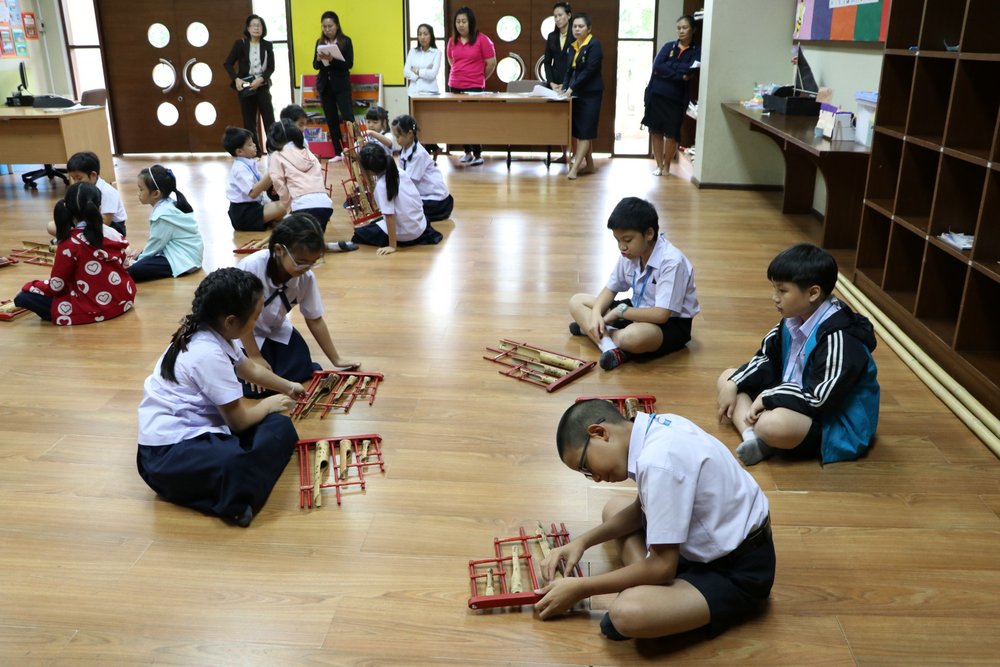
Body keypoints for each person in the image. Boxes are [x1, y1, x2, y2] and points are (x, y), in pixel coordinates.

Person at [535, 399, 774, 642]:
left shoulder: (658, 462)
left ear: (599, 433)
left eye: (586, 466)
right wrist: (582, 542)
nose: (594, 478)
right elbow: (640, 510)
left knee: (624, 614)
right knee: (614, 508)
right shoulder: (656, 427)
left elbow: (663, 567)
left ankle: (668, 596)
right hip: (708, 542)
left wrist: (582, 588)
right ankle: (654, 589)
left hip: (736, 569)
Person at [136, 268, 303, 528]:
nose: (257, 322)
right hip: (166, 454)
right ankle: (235, 501)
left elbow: (249, 369)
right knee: (237, 461)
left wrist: (288, 386)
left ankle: (232, 486)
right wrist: (267, 404)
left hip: (199, 432)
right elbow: (239, 421)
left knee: (280, 428)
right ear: (231, 321)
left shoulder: (212, 332)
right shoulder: (207, 353)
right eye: (255, 317)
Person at [717, 243, 880, 466]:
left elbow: (820, 398)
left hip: (832, 419)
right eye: (774, 289)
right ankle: (753, 439)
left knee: (771, 424)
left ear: (813, 293)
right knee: (728, 378)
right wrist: (734, 383)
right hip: (794, 395)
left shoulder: (840, 338)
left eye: (782, 291)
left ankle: (764, 435)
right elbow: (766, 358)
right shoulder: (793, 318)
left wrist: (768, 396)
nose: (774, 297)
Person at [568, 197, 699, 371]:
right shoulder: (630, 254)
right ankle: (610, 347)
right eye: (617, 240)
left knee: (632, 337)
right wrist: (597, 314)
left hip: (669, 324)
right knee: (577, 301)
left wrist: (619, 312)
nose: (621, 247)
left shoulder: (672, 262)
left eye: (627, 240)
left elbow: (661, 315)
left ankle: (595, 332)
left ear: (649, 234)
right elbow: (610, 289)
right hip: (636, 308)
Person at [237, 213, 360, 396]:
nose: (306, 268)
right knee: (253, 386)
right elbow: (240, 317)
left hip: (275, 329)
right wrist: (254, 356)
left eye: (312, 263)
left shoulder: (306, 277)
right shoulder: (251, 267)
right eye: (301, 262)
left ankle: (272, 376)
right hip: (242, 332)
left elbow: (315, 319)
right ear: (279, 250)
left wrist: (336, 359)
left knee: (302, 368)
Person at [15, 181, 135, 325]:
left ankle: (66, 312)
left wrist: (32, 285)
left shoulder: (69, 243)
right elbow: (126, 265)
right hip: (124, 299)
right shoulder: (113, 233)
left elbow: (56, 286)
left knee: (23, 297)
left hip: (93, 309)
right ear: (99, 207)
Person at [267, 118, 357, 252]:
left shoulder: (277, 155)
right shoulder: (308, 152)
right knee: (312, 238)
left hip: (301, 207)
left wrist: (288, 207)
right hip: (325, 205)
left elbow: (278, 183)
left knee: (292, 243)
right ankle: (328, 245)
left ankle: (322, 246)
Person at [351, 143, 442, 255]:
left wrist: (392, 246)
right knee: (373, 223)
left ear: (369, 171)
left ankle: (396, 241)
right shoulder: (398, 171)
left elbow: (389, 217)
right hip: (420, 224)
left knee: (358, 234)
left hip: (407, 233)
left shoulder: (381, 186)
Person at [643, 15, 699, 177]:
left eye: (685, 28)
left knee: (672, 134)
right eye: (679, 28)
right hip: (657, 95)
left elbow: (690, 69)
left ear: (693, 30)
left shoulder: (696, 51)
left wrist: (670, 66)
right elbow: (657, 66)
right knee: (656, 131)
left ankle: (667, 165)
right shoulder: (669, 46)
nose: (681, 31)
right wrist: (679, 74)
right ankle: (659, 165)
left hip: (677, 98)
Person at [128, 165, 203, 283]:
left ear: (156, 194)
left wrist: (136, 262)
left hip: (184, 259)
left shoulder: (163, 215)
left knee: (134, 270)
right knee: (138, 259)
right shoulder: (166, 205)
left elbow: (155, 244)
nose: (138, 193)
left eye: (141, 189)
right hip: (182, 252)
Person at [446, 6, 496, 166]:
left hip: (474, 86)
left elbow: (491, 63)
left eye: (464, 21)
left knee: (473, 119)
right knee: (460, 119)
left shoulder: (482, 39)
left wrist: (479, 77)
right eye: (458, 21)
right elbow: (451, 60)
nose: (460, 25)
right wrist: (459, 74)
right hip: (455, 85)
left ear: (471, 22)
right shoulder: (452, 40)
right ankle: (466, 151)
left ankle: (478, 153)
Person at [223, 14, 276, 154]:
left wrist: (261, 79)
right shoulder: (240, 44)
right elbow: (228, 63)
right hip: (246, 87)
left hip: (262, 85)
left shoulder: (267, 45)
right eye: (253, 25)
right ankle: (255, 151)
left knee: (269, 119)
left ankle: (273, 150)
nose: (256, 28)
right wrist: (236, 79)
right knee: (249, 122)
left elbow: (271, 68)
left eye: (259, 25)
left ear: (263, 28)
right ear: (248, 28)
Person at [45, 151, 127, 238]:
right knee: (51, 226)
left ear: (93, 175)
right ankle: (78, 239)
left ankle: (77, 239)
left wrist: (80, 229)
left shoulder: (107, 192)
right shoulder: (80, 189)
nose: (76, 182)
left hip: (109, 228)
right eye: (73, 178)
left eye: (79, 178)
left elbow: (106, 222)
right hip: (85, 224)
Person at [563, 12, 604, 180]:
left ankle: (575, 168)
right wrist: (564, 88)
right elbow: (569, 70)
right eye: (574, 26)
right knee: (581, 131)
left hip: (591, 94)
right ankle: (590, 165)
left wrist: (571, 88)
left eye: (581, 26)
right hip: (577, 93)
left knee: (586, 132)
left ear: (589, 28)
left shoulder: (594, 45)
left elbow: (588, 71)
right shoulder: (573, 46)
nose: (577, 29)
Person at [392, 114, 453, 222]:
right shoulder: (405, 150)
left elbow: (408, 182)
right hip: (426, 197)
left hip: (438, 202)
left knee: (402, 208)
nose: (397, 140)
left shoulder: (419, 154)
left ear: (410, 134)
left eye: (398, 136)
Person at [224, 126, 286, 232]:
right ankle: (268, 222)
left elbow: (264, 186)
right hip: (243, 214)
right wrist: (272, 170)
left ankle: (271, 221)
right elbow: (253, 193)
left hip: (253, 207)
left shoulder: (248, 163)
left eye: (253, 142)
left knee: (284, 202)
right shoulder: (239, 168)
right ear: (239, 151)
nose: (254, 145)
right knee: (285, 204)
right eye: (249, 144)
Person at [313, 11, 354, 161]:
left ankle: (353, 150)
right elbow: (315, 66)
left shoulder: (345, 41)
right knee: (331, 120)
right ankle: (338, 152)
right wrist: (319, 59)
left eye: (330, 26)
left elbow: (349, 64)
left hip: (341, 85)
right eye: (324, 26)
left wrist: (332, 59)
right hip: (325, 85)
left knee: (348, 118)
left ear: (337, 25)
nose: (327, 29)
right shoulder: (320, 42)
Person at [403, 24, 443, 157]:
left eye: (425, 34)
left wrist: (416, 70)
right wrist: (421, 73)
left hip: (430, 93)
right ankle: (423, 150)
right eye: (420, 34)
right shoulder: (413, 52)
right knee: (414, 124)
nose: (422, 37)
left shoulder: (436, 52)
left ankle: (428, 150)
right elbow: (406, 72)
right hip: (414, 93)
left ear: (431, 36)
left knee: (428, 123)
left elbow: (433, 74)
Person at [543, 3, 573, 92]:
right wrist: (551, 83)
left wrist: (566, 84)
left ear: (569, 15)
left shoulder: (575, 36)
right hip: (554, 84)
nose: (557, 19)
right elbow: (547, 62)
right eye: (555, 16)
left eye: (560, 15)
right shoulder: (551, 36)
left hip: (571, 84)